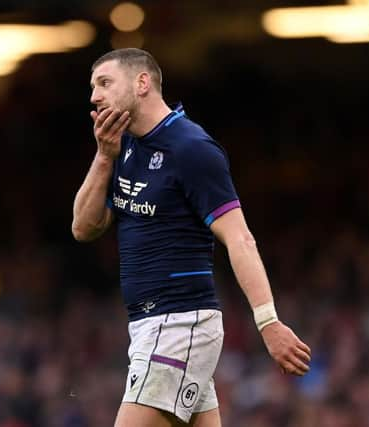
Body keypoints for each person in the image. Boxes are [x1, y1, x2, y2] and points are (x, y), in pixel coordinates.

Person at [72, 48, 311, 427]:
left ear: (142, 83)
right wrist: (104, 157)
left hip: (178, 324)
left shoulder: (191, 148)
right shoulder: (122, 145)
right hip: (151, 326)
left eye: (104, 83)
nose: (94, 97)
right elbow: (83, 228)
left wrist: (269, 323)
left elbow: (240, 239)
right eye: (92, 87)